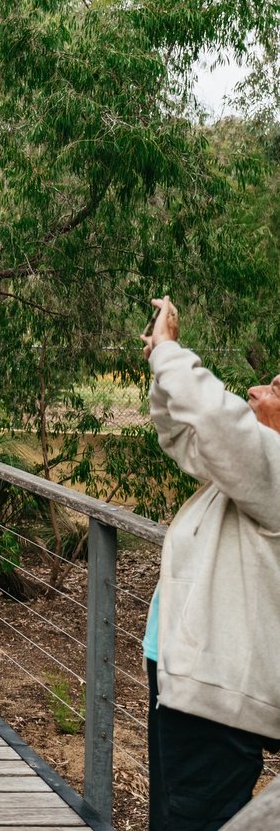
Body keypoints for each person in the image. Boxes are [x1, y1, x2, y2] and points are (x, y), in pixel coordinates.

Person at [140, 296, 280, 831]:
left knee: (190, 819)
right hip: (184, 678)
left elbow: (216, 420)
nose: (255, 391)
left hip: (216, 705)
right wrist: (160, 366)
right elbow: (183, 434)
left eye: (273, 390)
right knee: (172, 812)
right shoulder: (254, 474)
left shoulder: (272, 475)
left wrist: (172, 351)